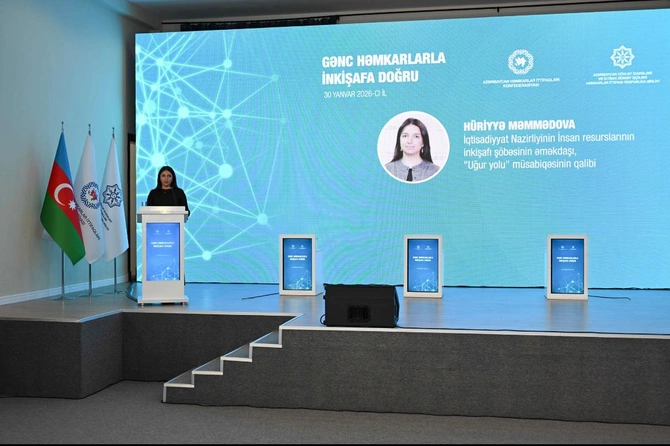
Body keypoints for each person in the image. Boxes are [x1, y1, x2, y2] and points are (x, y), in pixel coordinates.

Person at [385, 117, 439, 182]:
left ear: (423, 142)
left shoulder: (435, 171)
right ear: (399, 140)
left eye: (416, 136)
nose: (409, 141)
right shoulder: (387, 169)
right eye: (405, 136)